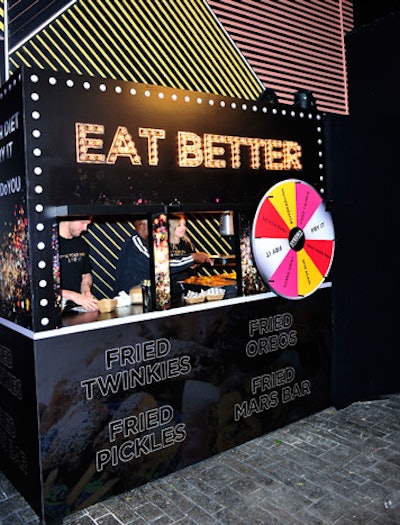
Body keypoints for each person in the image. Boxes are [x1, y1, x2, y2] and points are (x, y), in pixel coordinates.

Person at [169, 214, 213, 307]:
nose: (183, 228)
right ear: (171, 226)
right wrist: (192, 259)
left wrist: (196, 264)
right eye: (179, 225)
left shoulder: (187, 243)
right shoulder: (164, 246)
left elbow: (194, 263)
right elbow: (166, 267)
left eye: (184, 225)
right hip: (173, 289)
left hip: (190, 288)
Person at [58, 217, 98, 311]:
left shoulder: (81, 243)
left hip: (74, 308)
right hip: (53, 310)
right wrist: (72, 295)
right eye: (83, 223)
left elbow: (86, 275)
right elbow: (41, 286)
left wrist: (86, 290)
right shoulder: (48, 244)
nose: (85, 228)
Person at [113, 219, 151, 295]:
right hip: (130, 296)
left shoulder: (149, 242)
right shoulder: (134, 244)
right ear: (142, 226)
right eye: (154, 225)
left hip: (142, 293)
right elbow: (157, 265)